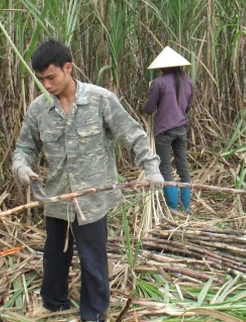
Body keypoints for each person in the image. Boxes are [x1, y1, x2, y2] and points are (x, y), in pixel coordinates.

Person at [12, 40, 164, 322]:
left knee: (92, 258)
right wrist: (21, 167)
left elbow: (132, 134)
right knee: (55, 256)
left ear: (68, 67)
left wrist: (151, 168)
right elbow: (25, 148)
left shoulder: (100, 99)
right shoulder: (38, 110)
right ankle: (53, 304)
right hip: (57, 199)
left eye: (51, 77)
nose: (46, 85)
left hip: (93, 200)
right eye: (41, 79)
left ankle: (93, 313)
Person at [143, 46, 194, 213]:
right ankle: (186, 207)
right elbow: (187, 107)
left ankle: (172, 207)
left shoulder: (158, 83)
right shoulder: (188, 82)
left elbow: (149, 108)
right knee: (183, 166)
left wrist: (143, 106)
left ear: (163, 67)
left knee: (165, 168)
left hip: (164, 131)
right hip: (181, 129)